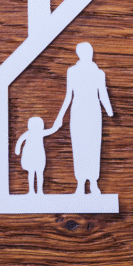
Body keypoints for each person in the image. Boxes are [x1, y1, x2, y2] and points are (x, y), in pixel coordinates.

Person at [52, 42, 113, 194]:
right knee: (79, 146)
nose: (88, 55)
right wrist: (60, 116)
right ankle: (80, 183)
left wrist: (109, 110)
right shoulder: (72, 72)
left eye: (89, 52)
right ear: (79, 54)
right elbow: (68, 96)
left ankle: (93, 182)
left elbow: (102, 93)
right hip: (78, 111)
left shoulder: (99, 73)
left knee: (93, 146)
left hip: (94, 112)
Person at [15, 116, 58, 195]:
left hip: (38, 156)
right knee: (33, 173)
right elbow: (20, 141)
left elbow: (52, 130)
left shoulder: (39, 133)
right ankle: (32, 191)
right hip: (31, 155)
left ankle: (39, 191)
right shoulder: (30, 133)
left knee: (38, 173)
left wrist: (56, 126)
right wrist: (17, 150)